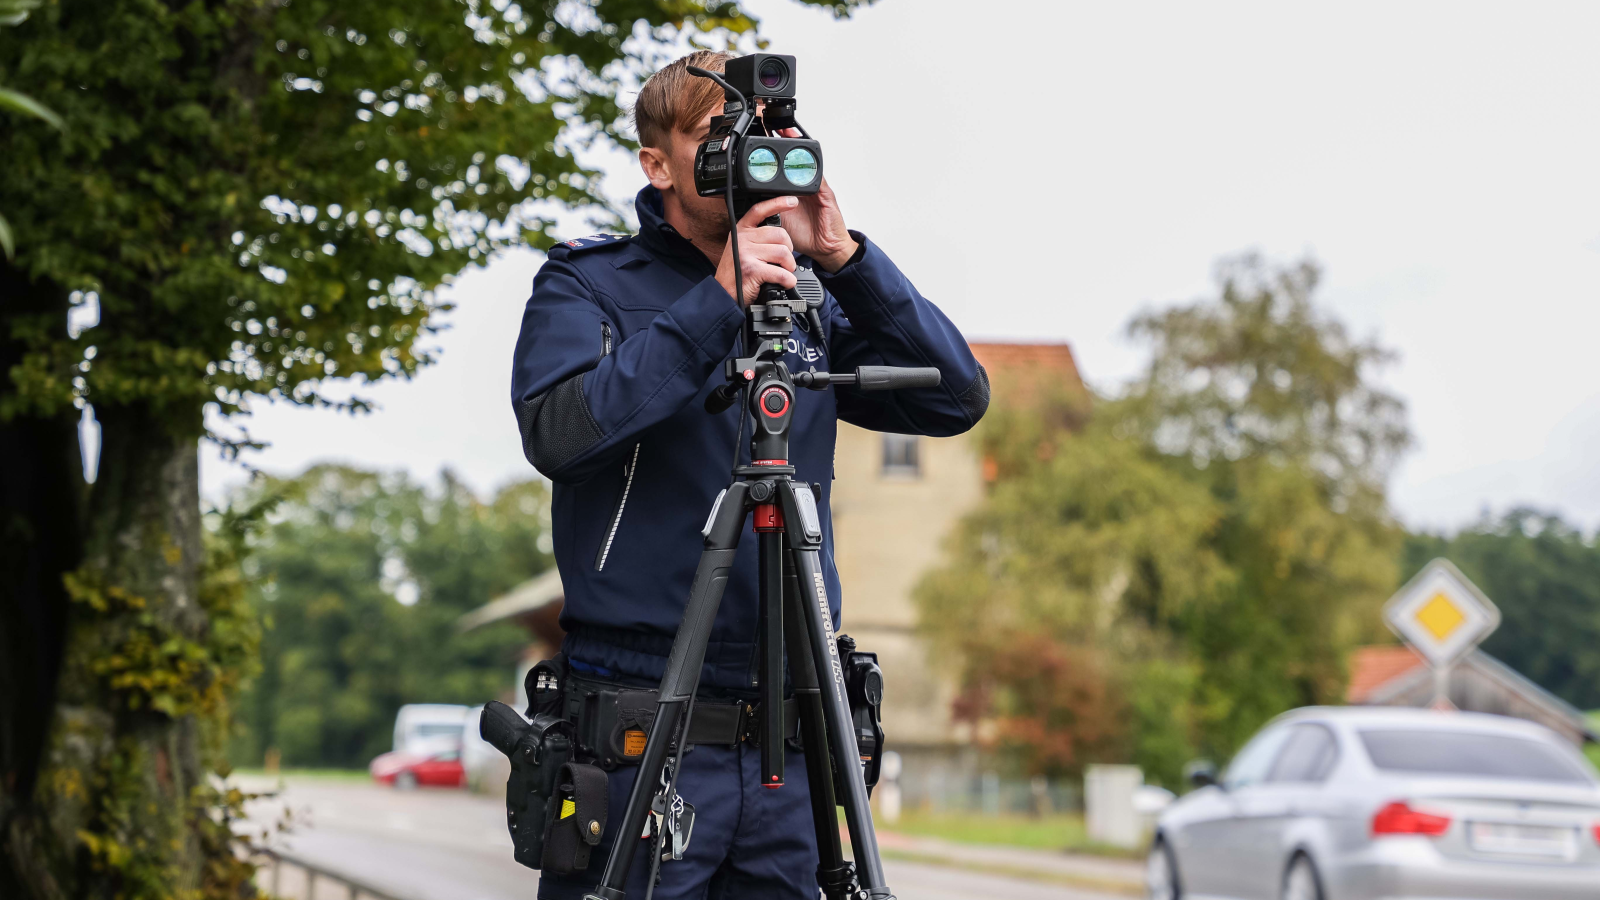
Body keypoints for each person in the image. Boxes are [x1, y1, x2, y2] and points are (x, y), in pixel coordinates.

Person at [510, 49, 988, 900]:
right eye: (714, 134)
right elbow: (559, 433)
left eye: (762, 133)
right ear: (656, 162)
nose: (745, 152)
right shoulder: (588, 284)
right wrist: (713, 304)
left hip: (792, 733)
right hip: (640, 722)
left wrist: (846, 258)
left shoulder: (808, 293)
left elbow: (956, 397)